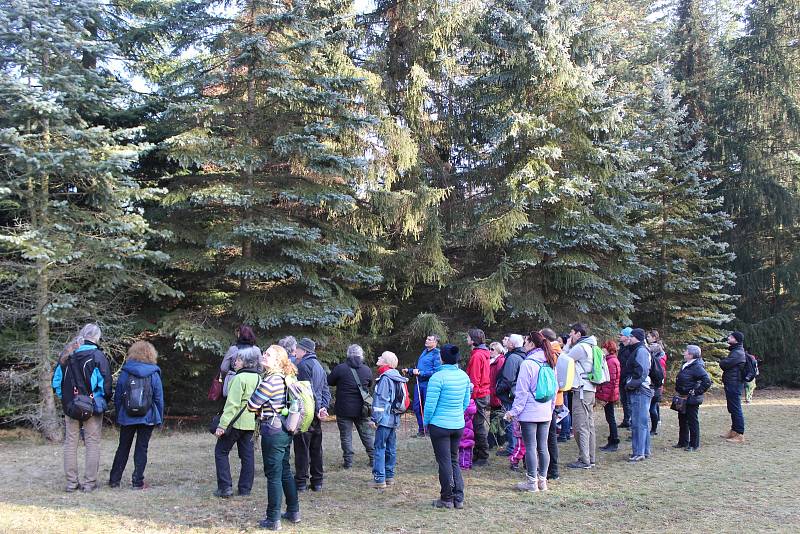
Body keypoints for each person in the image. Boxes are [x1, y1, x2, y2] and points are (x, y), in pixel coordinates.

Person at [51, 323, 112, 493]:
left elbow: (56, 382)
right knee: (92, 443)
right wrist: (101, 400)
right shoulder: (98, 356)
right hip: (92, 407)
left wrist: (66, 399)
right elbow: (106, 385)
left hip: (71, 407)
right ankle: (89, 483)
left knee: (71, 443)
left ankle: (71, 483)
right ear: (96, 337)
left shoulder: (66, 355)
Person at [247, 345, 301, 531]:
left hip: (272, 431)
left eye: (268, 354)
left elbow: (252, 405)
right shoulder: (286, 379)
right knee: (284, 470)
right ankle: (293, 512)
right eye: (264, 353)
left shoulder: (269, 381)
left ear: (278, 361)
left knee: (273, 475)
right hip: (285, 428)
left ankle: (273, 518)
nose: (264, 356)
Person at [504, 331, 557, 492]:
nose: (524, 345)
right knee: (543, 447)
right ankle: (543, 481)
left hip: (530, 412)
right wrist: (551, 408)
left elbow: (522, 392)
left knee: (531, 446)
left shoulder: (528, 364)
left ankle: (532, 482)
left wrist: (513, 412)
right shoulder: (549, 361)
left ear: (532, 344)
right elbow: (555, 389)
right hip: (546, 411)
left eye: (526, 342)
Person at [109, 341, 164, 489]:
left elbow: (119, 395)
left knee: (123, 447)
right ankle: (137, 481)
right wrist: (159, 418)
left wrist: (120, 412)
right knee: (142, 448)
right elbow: (158, 398)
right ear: (151, 354)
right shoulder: (154, 373)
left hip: (127, 416)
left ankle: (114, 480)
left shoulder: (126, 372)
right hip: (148, 416)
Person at [423, 343, 472, 509]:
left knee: (444, 462)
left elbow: (430, 406)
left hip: (440, 425)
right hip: (457, 424)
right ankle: (458, 498)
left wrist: (426, 422)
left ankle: (446, 498)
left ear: (442, 358)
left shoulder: (437, 377)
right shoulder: (464, 376)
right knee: (454, 460)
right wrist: (456, 413)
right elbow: (465, 402)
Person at [213, 346, 261, 497]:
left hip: (235, 423)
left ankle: (225, 488)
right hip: (251, 423)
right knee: (247, 456)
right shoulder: (259, 378)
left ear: (246, 362)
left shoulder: (239, 378)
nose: (235, 361)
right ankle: (245, 489)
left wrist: (222, 425)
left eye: (239, 359)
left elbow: (232, 405)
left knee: (220, 451)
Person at [327, 344, 375, 469]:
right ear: (361, 355)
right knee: (367, 434)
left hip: (344, 408)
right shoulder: (367, 370)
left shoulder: (340, 369)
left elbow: (329, 381)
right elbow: (370, 384)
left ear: (348, 354)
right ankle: (374, 459)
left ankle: (348, 462)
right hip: (362, 409)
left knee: (346, 436)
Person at [293, 337, 331, 491]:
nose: (295, 352)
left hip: (306, 413)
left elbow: (306, 392)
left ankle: (301, 482)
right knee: (316, 449)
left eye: (298, 349)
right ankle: (317, 482)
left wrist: (315, 410)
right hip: (316, 413)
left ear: (305, 351)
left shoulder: (302, 365)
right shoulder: (319, 366)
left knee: (302, 448)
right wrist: (323, 408)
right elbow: (325, 390)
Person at [369, 351, 408, 488]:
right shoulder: (398, 377)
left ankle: (379, 479)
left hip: (384, 419)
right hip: (394, 418)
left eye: (381, 357)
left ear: (386, 362)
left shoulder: (385, 378)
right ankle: (389, 476)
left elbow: (380, 401)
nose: (378, 358)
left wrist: (375, 419)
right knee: (391, 448)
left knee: (379, 447)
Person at [564, 324, 598, 469]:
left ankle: (584, 460)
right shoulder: (591, 346)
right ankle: (590, 457)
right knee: (589, 425)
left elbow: (564, 360)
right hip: (590, 389)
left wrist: (567, 345)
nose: (570, 336)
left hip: (582, 391)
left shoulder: (581, 347)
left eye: (571, 333)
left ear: (578, 334)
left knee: (580, 426)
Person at [673, 345, 712, 451]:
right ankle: (683, 442)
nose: (684, 353)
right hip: (682, 397)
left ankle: (694, 444)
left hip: (691, 399)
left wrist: (697, 391)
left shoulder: (697, 366)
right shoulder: (687, 364)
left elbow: (707, 380)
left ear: (691, 354)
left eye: (685, 351)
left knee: (692, 421)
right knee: (682, 419)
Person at [623, 328, 653, 461]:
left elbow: (642, 371)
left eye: (630, 336)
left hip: (640, 390)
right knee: (642, 422)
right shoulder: (639, 349)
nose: (628, 338)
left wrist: (630, 383)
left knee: (638, 422)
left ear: (635, 337)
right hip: (640, 389)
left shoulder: (640, 350)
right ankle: (644, 451)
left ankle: (639, 453)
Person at [495, 334, 526, 456]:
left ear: (512, 345)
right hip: (514, 393)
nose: (506, 342)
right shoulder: (521, 355)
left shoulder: (513, 357)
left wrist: (498, 390)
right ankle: (513, 446)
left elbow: (508, 378)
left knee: (510, 420)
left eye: (508, 341)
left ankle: (512, 448)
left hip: (509, 394)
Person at [406, 335, 442, 437]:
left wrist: (421, 373)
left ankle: (430, 430)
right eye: (426, 339)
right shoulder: (424, 352)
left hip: (429, 384)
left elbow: (436, 371)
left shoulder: (436, 354)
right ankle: (422, 430)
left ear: (435, 342)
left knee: (428, 407)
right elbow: (418, 369)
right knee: (417, 407)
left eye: (429, 339)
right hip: (419, 384)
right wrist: (409, 371)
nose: (426, 341)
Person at [465, 328, 491, 467]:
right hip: (483, 393)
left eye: (468, 337)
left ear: (473, 339)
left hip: (479, 394)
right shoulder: (482, 353)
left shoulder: (477, 356)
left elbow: (474, 379)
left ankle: (483, 455)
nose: (466, 339)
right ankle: (477, 453)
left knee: (478, 425)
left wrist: (471, 397)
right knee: (477, 425)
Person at [540, 328, 562, 481]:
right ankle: (551, 470)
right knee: (550, 438)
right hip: (555, 399)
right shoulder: (557, 353)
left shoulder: (550, 355)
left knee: (548, 438)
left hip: (549, 401)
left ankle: (551, 470)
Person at [720, 331, 747, 444]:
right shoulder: (735, 351)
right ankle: (734, 431)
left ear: (736, 339)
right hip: (731, 383)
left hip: (734, 384)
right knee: (732, 407)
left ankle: (740, 434)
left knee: (736, 408)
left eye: (731, 337)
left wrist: (722, 361)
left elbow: (724, 364)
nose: (728, 337)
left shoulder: (738, 352)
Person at [220, 326, 260, 397]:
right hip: (252, 381)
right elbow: (261, 368)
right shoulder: (256, 350)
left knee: (231, 402)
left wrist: (224, 377)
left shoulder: (233, 349)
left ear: (240, 335)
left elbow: (224, 368)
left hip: (233, 378)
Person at [597, 340, 621, 452]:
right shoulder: (611, 360)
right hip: (610, 394)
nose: (602, 350)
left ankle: (614, 441)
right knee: (610, 418)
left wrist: (605, 398)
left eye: (604, 348)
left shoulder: (611, 362)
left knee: (611, 418)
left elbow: (610, 381)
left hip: (610, 395)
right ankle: (612, 440)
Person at [647, 330, 667, 435]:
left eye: (649, 337)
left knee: (652, 407)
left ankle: (653, 429)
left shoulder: (658, 358)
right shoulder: (660, 354)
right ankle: (656, 422)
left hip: (656, 384)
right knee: (654, 406)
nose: (648, 338)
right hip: (656, 383)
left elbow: (659, 372)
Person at [487, 341, 506, 450]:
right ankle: (497, 440)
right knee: (495, 417)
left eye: (492, 349)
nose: (490, 351)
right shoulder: (492, 361)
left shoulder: (500, 361)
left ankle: (493, 440)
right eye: (489, 349)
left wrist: (496, 391)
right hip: (492, 392)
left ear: (498, 350)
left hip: (496, 393)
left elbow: (499, 378)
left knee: (496, 417)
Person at [617, 327, 634, 428]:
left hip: (628, 378)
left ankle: (631, 421)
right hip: (621, 378)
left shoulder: (631, 349)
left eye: (622, 335)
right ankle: (626, 419)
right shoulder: (622, 347)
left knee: (629, 401)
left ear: (627, 337)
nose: (620, 336)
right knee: (624, 400)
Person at [458, 399, 477, 470]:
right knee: (468, 448)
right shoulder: (471, 404)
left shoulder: (462, 406)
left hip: (464, 431)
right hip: (470, 430)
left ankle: (463, 465)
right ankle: (469, 464)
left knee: (463, 448)